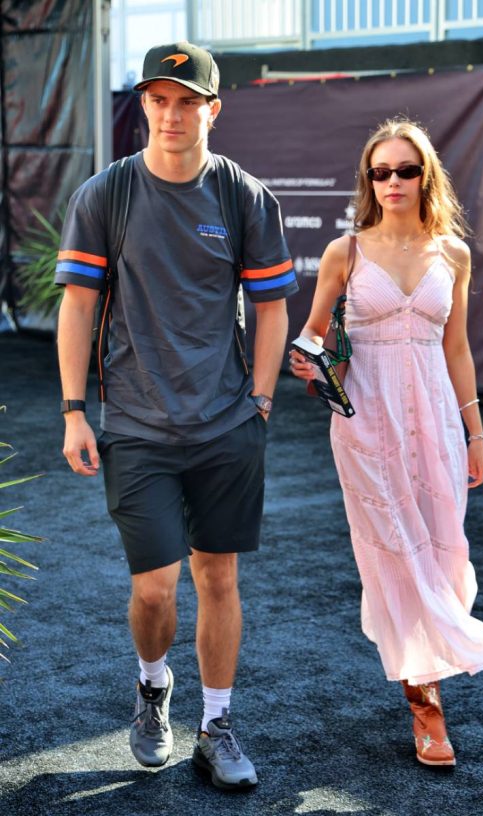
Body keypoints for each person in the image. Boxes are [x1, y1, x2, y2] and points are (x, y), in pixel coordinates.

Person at [55, 41, 298, 789]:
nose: (170, 113)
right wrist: (73, 411)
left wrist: (258, 401)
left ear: (212, 110)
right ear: (144, 107)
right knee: (155, 587)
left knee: (217, 578)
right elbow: (78, 306)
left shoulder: (244, 197)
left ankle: (216, 723)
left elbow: (271, 309)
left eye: (187, 100)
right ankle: (153, 688)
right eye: (158, 99)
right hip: (135, 426)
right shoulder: (107, 194)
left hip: (227, 425)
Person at [290, 118, 483, 767]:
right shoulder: (345, 252)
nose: (393, 181)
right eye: (380, 171)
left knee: (444, 555)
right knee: (396, 557)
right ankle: (427, 709)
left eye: (405, 170)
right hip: (367, 422)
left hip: (437, 419)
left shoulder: (453, 254)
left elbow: (456, 349)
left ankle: (432, 672)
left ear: (425, 176)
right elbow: (314, 335)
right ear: (368, 181)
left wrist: (475, 433)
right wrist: (306, 360)